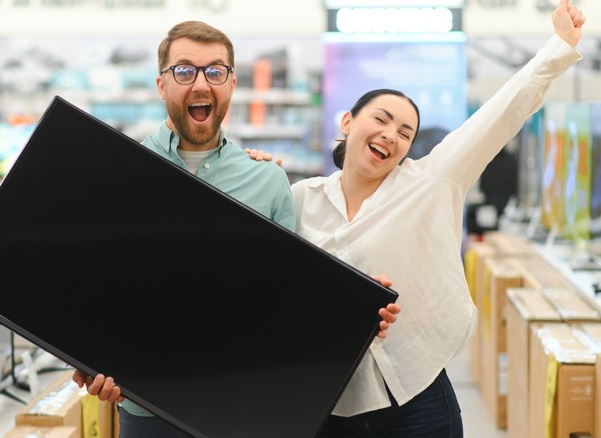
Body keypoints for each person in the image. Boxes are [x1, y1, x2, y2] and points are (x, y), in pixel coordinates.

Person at [250, 0, 585, 435]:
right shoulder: (299, 199)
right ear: (348, 122)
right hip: (328, 404)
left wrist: (557, 47)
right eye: (381, 119)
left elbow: (500, 115)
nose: (391, 135)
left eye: (405, 132)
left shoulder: (428, 184)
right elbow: (265, 280)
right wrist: (253, 175)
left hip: (417, 400)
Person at [71, 20, 400, 437]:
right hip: (147, 410)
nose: (201, 83)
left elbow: (287, 298)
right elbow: (97, 285)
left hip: (238, 408)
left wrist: (357, 308)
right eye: (184, 71)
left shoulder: (267, 180)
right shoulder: (120, 173)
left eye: (215, 71)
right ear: (161, 85)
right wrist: (87, 357)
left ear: (231, 83)